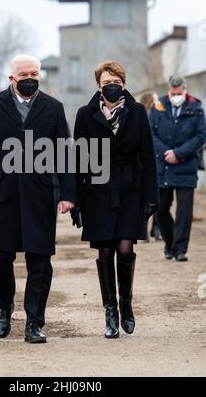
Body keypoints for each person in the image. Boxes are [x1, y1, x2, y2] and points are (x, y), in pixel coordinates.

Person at [0, 54, 75, 343]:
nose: (30, 79)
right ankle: (4, 307)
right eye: (23, 74)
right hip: (0, 193)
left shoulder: (53, 108)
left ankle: (34, 322)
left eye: (34, 74)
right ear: (11, 78)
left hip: (40, 194)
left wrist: (67, 194)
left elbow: (65, 154)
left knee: (40, 258)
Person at [73, 61, 158, 339]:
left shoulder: (136, 112)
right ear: (98, 84)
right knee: (105, 251)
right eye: (108, 80)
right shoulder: (85, 115)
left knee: (124, 248)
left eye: (118, 80)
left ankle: (126, 303)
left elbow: (147, 156)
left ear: (124, 83)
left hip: (130, 190)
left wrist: (151, 196)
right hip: (97, 191)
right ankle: (109, 310)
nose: (113, 84)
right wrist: (75, 199)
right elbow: (78, 160)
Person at [149, 76, 206, 261]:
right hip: (163, 165)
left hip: (186, 166)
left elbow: (201, 135)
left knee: (184, 211)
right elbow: (150, 133)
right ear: (168, 90)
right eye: (173, 93)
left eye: (179, 93)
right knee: (161, 209)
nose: (176, 96)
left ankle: (180, 249)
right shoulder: (158, 107)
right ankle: (170, 243)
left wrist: (179, 153)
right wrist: (167, 152)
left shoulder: (195, 108)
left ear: (185, 89)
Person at [139, 91, 162, 242]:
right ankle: (143, 231)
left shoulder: (158, 117)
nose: (157, 102)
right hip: (144, 163)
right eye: (155, 99)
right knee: (143, 200)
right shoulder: (141, 118)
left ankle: (155, 229)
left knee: (157, 198)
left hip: (159, 162)